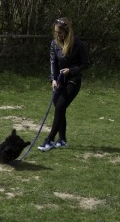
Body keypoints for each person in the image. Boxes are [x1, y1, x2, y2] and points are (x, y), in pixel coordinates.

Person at [38, 17, 89, 152]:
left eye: (59, 32)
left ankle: (49, 140)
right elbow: (53, 62)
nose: (57, 35)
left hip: (73, 80)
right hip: (60, 81)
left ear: (66, 32)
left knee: (60, 107)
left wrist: (71, 70)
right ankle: (62, 140)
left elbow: (85, 64)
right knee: (60, 109)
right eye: (55, 32)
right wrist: (53, 79)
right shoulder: (54, 44)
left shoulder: (78, 44)